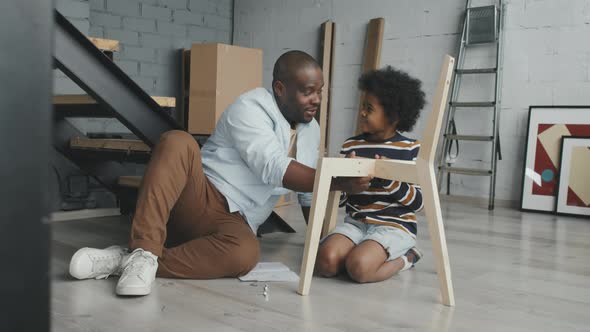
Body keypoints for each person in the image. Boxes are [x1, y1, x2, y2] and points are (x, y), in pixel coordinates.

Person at [68, 50, 372, 296]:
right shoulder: (251, 106)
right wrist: (339, 182)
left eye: (320, 91)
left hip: (236, 220)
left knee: (245, 255)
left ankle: (129, 260)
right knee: (177, 141)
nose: (316, 100)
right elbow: (274, 168)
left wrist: (322, 247)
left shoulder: (311, 129)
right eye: (308, 92)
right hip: (198, 196)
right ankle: (144, 247)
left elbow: (308, 193)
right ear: (280, 88)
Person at [316, 66, 426, 284]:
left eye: (369, 108)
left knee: (359, 268)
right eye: (362, 107)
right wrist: (346, 183)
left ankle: (407, 258)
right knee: (326, 263)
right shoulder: (351, 145)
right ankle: (363, 250)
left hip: (394, 226)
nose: (362, 113)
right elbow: (342, 200)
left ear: (393, 115)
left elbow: (419, 203)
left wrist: (390, 180)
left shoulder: (410, 149)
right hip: (357, 223)